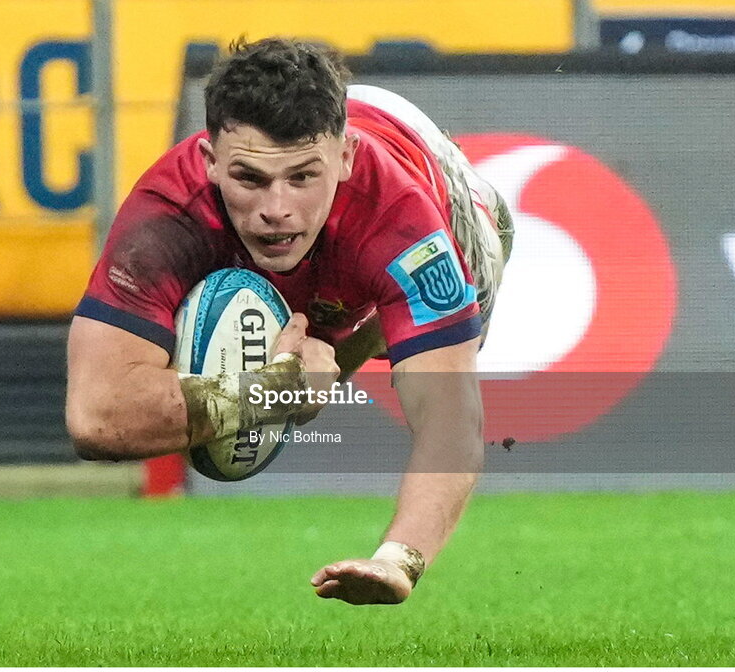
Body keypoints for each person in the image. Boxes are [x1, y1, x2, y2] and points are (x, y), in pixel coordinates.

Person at [66, 37, 513, 605]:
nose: (276, 207)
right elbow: (94, 417)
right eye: (249, 178)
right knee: (309, 361)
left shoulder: (406, 225)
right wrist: (272, 392)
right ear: (207, 162)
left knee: (409, 338)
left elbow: (453, 426)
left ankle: (368, 320)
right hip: (330, 261)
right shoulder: (168, 211)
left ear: (344, 158)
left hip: (442, 187)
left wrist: (398, 559)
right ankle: (328, 341)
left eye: (302, 176)